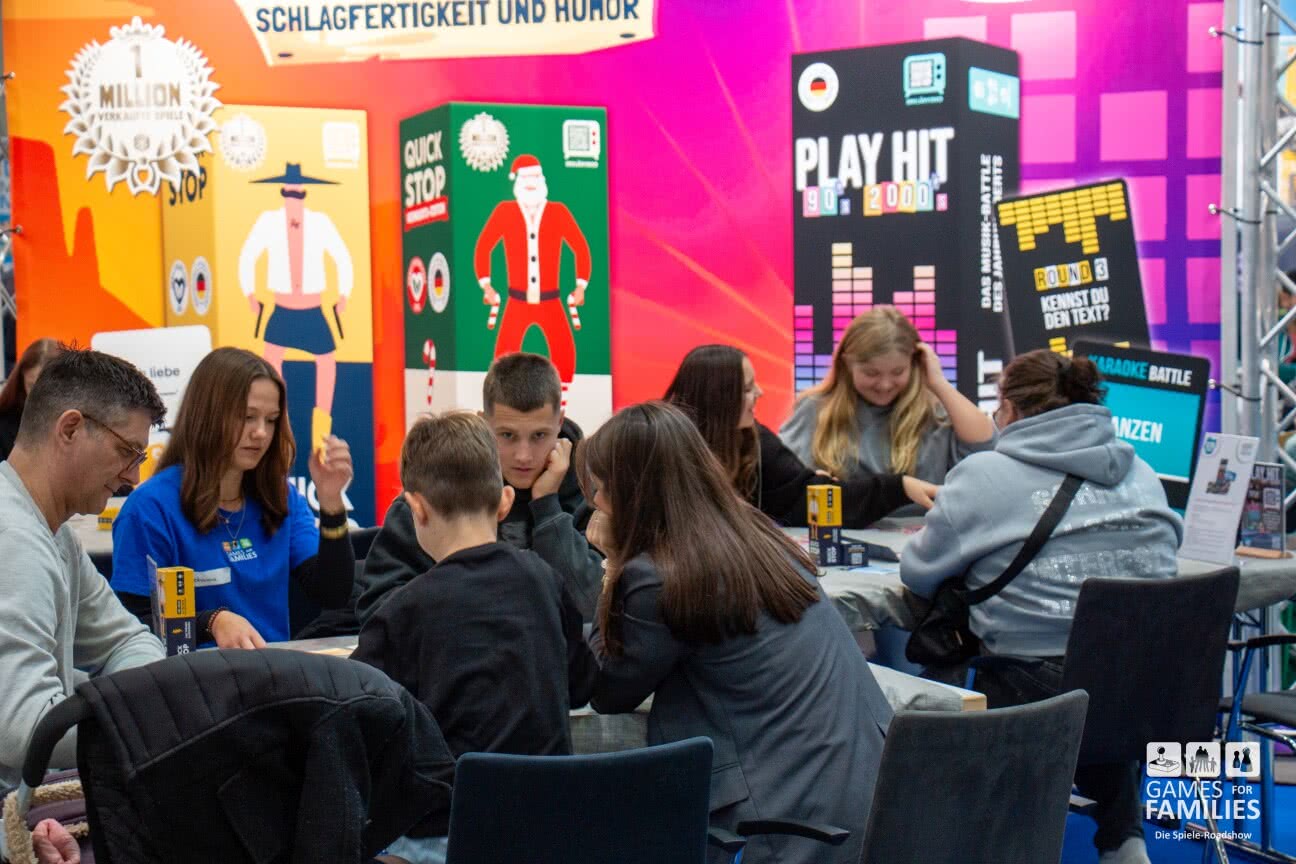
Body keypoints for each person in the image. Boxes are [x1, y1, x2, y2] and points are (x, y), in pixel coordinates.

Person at [900, 349, 1183, 864]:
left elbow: (918, 572)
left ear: (1009, 408)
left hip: (1033, 685)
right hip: (1146, 686)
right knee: (1098, 666)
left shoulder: (982, 474)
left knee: (954, 667)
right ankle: (1123, 840)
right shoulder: (1140, 470)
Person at [582, 402, 892, 864]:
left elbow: (606, 688)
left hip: (786, 825)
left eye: (601, 489)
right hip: (871, 803)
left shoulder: (660, 576)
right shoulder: (755, 533)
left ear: (629, 493)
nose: (597, 503)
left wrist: (612, 565)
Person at [355, 411, 596, 864]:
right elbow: (582, 686)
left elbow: (354, 717)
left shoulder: (404, 611)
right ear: (504, 502)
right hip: (551, 829)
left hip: (448, 835)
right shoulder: (545, 580)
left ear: (416, 509)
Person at [111, 347, 355, 647]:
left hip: (275, 669)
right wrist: (211, 622)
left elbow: (332, 593)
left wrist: (331, 503)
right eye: (247, 417)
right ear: (207, 416)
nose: (261, 433)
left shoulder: (281, 498)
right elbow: (132, 626)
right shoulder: (150, 509)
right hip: (190, 673)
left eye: (271, 420)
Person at [0, 348, 166, 787]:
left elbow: (129, 640)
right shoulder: (13, 539)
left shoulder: (53, 534)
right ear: (70, 428)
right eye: (127, 451)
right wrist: (140, 723)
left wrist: (127, 707)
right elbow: (24, 728)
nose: (133, 477)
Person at [357, 352, 603, 625]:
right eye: (507, 435)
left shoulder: (594, 496)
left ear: (559, 423)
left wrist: (548, 507)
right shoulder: (435, 490)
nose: (524, 455)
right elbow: (378, 611)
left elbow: (592, 607)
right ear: (484, 422)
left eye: (539, 436)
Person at [664, 344, 938, 524]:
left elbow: (812, 498)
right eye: (747, 388)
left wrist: (898, 488)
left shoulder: (754, 441)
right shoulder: (660, 442)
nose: (759, 393)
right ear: (718, 397)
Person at [780, 307, 995, 500]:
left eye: (898, 372)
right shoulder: (815, 408)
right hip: (842, 526)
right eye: (871, 373)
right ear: (847, 364)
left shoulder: (934, 413)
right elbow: (782, 480)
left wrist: (939, 383)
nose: (885, 385)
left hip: (925, 529)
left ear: (915, 363)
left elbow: (985, 448)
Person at [238, 162, 354, 453]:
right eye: (289, 193)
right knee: (269, 362)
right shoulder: (268, 221)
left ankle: (322, 431)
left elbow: (341, 256)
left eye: (298, 194)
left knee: (327, 361)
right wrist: (250, 293)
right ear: (283, 193)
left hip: (313, 307)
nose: (293, 199)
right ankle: (278, 424)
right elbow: (249, 254)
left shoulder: (320, 222)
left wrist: (344, 293)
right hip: (282, 307)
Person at [474, 154, 592, 406]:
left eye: (535, 177)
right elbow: (484, 245)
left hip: (551, 299)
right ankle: (503, 404)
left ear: (542, 180)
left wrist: (580, 285)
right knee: (503, 354)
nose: (530, 183)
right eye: (525, 178)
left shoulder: (558, 212)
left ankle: (562, 405)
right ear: (517, 181)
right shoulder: (505, 211)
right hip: (517, 300)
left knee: (564, 350)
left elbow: (580, 247)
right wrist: (486, 284)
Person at [0, 338, 62, 460]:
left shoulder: (81, 424)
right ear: (21, 378)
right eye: (32, 386)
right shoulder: (3, 424)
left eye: (49, 389)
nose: (41, 397)